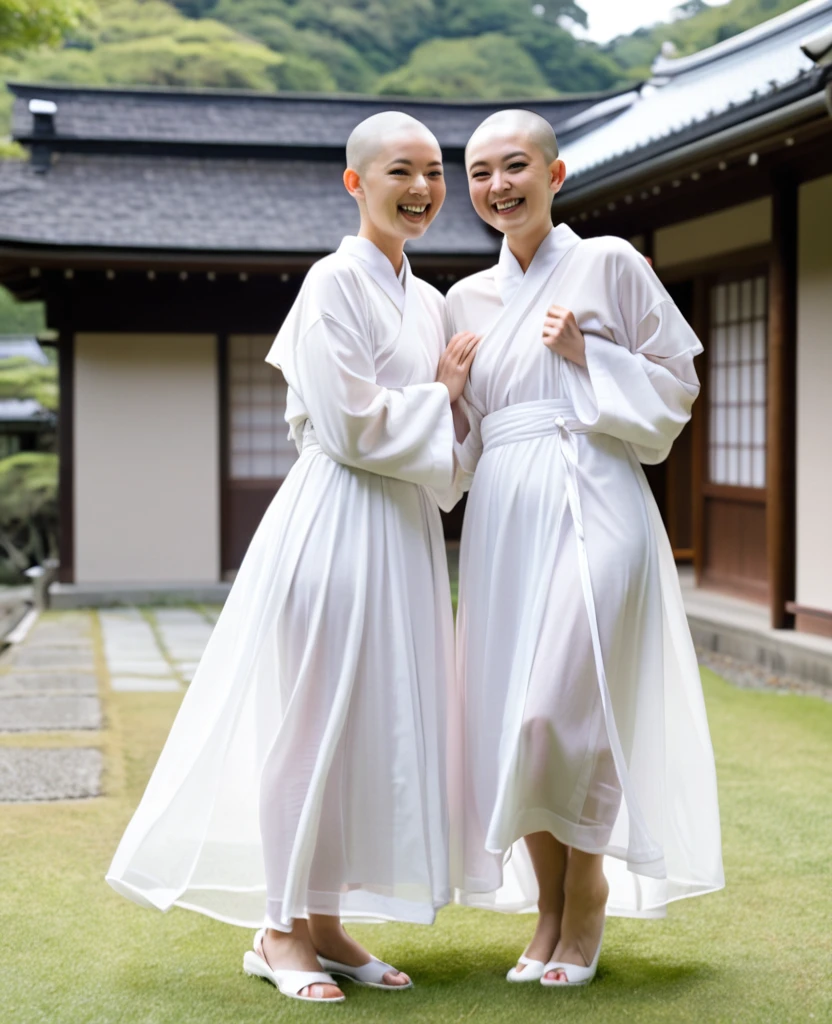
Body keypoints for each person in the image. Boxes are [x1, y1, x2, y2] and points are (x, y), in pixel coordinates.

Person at [106, 111, 479, 1005]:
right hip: (336, 518)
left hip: (402, 526)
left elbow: (455, 443)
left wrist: (455, 410)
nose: (423, 188)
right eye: (402, 171)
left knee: (372, 723)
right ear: (356, 183)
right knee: (311, 721)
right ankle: (276, 930)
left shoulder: (427, 301)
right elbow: (351, 425)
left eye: (434, 171)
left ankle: (325, 920)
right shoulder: (330, 283)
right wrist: (442, 395)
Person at [446, 110, 724, 987]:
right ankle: (548, 911)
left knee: (564, 707)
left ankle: (590, 889)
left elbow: (678, 385)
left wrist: (585, 356)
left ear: (555, 174)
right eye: (480, 172)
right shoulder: (463, 302)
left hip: (595, 493)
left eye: (515, 165)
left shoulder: (608, 261)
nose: (499, 185)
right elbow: (463, 437)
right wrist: (448, 393)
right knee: (510, 718)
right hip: (502, 511)